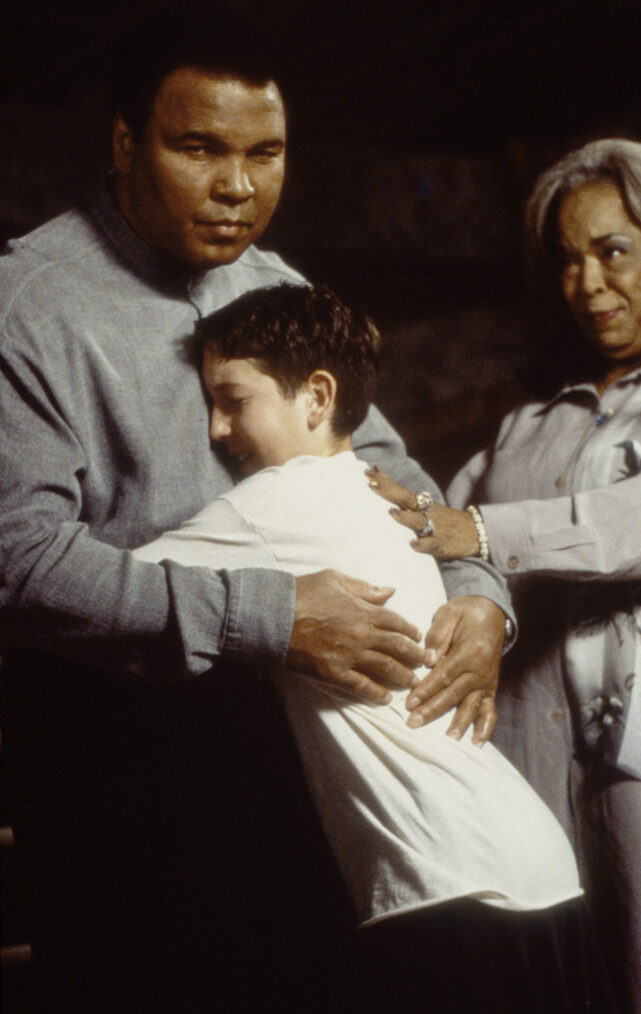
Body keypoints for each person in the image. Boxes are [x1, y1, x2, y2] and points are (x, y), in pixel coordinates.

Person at [0, 11, 510, 1010]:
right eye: (200, 149)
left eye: (264, 152)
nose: (239, 186)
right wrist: (273, 618)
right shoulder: (27, 306)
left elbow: (391, 468)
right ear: (123, 142)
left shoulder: (276, 285)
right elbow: (18, 562)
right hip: (121, 780)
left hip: (302, 769)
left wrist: (478, 590)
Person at [369, 138, 641, 1014]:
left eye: (612, 251)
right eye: (567, 261)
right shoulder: (528, 426)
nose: (586, 285)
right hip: (522, 761)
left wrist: (480, 530)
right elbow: (436, 544)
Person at [134, 282, 588, 1012]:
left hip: (444, 876)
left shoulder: (273, 501)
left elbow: (93, 590)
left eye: (234, 399)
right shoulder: (382, 491)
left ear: (316, 397)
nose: (217, 429)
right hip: (533, 861)